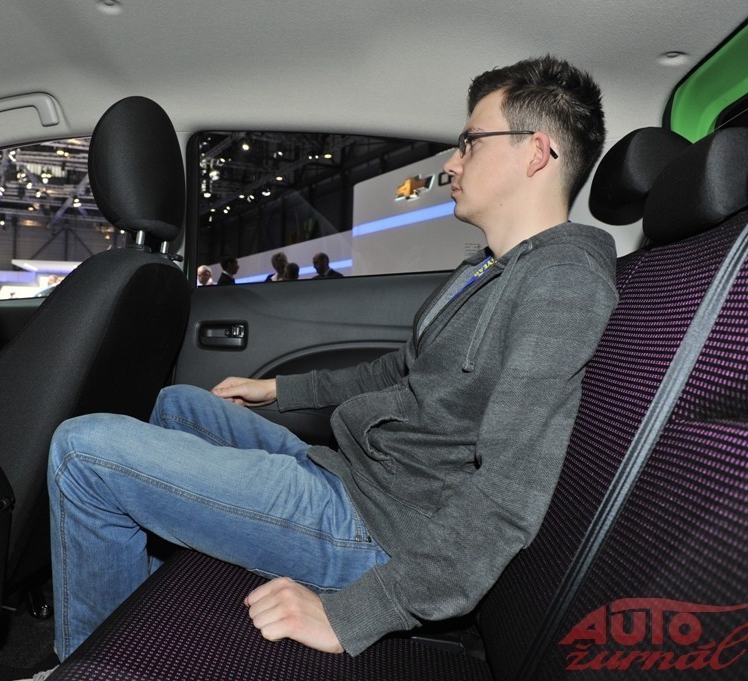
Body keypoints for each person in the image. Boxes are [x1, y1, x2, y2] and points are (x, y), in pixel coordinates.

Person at [47, 54, 616, 661]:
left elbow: (508, 492)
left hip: (379, 528)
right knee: (178, 405)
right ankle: (146, 607)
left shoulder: (563, 280)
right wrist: (278, 391)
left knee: (83, 452)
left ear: (536, 152)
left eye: (471, 142)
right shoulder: (485, 269)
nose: (452, 162)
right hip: (355, 474)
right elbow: (401, 370)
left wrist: (353, 616)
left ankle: (82, 667)